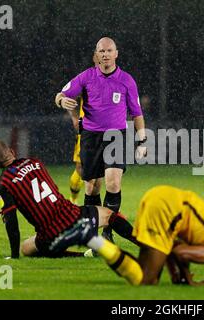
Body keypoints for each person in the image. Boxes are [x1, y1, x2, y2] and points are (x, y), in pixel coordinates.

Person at [50, 185, 204, 286]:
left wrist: (180, 278)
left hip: (163, 199)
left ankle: (91, 238)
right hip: (168, 210)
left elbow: (175, 248)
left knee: (146, 273)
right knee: (147, 280)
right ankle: (90, 238)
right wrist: (189, 281)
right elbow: (179, 252)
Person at [54, 37, 147, 244]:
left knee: (113, 183)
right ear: (97, 55)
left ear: (116, 53)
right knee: (92, 187)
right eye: (101, 51)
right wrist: (62, 100)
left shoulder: (127, 80)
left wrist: (143, 141)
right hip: (90, 137)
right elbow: (60, 95)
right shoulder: (86, 77)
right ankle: (94, 235)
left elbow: (137, 114)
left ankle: (107, 232)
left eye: (109, 50)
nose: (105, 54)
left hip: (116, 136)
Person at [0, 140, 135, 259]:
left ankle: (83, 255)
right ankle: (146, 243)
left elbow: (11, 223)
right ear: (12, 152)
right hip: (72, 216)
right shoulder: (35, 162)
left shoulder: (2, 184)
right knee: (110, 214)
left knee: (26, 248)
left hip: (50, 235)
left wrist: (14, 256)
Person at [68, 54, 101, 205]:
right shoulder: (87, 79)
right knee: (81, 168)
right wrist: (75, 117)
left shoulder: (115, 79)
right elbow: (69, 96)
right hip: (87, 131)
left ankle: (106, 209)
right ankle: (73, 200)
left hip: (107, 132)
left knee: (107, 170)